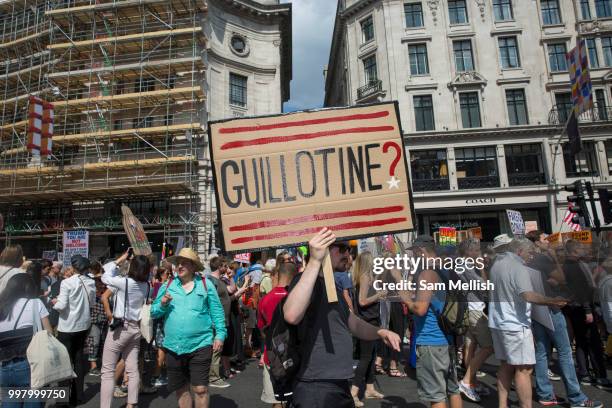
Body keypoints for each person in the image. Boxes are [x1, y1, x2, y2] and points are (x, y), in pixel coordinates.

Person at [283, 228, 400, 407]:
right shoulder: (305, 281)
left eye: (349, 250)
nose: (348, 254)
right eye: (343, 249)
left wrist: (381, 332)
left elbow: (352, 322)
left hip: (338, 382)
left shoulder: (333, 288)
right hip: (315, 385)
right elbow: (291, 315)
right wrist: (315, 260)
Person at [488, 237, 567, 408]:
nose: (531, 256)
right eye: (529, 252)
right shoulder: (518, 267)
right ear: (519, 251)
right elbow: (528, 295)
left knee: (506, 364)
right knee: (524, 369)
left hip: (498, 321)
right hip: (514, 324)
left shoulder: (497, 263)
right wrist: (551, 301)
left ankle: (503, 405)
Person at [526, 236, 601, 408]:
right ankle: (576, 398)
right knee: (565, 352)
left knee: (542, 351)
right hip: (551, 308)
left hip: (537, 308)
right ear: (537, 243)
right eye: (545, 239)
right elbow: (560, 278)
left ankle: (545, 394)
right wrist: (553, 257)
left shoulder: (530, 262)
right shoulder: (544, 259)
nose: (549, 241)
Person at [151, 248, 226, 408]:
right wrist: (163, 304)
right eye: (177, 263)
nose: (179, 266)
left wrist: (220, 334)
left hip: (200, 344)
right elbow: (154, 312)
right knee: (181, 389)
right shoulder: (168, 285)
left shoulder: (205, 285)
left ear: (193, 266)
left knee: (200, 389)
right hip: (173, 346)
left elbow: (217, 312)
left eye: (184, 263)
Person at [400, 235, 462, 408]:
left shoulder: (427, 273)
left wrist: (406, 298)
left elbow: (420, 309)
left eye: (414, 253)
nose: (413, 256)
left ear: (421, 251)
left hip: (431, 340)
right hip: (447, 337)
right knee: (453, 389)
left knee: (436, 396)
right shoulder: (447, 270)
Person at [99, 251, 151, 408]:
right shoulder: (146, 285)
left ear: (132, 267)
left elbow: (104, 275)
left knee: (107, 371)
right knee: (133, 369)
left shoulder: (124, 282)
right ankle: (131, 404)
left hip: (120, 328)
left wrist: (120, 260)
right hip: (136, 329)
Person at [0, 274, 53, 408]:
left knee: (9, 402)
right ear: (29, 288)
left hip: (4, 365)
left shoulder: (2, 307)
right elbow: (49, 333)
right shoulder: (36, 303)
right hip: (29, 365)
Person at [563, 240, 611, 389]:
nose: (584, 250)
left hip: (577, 307)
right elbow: (581, 289)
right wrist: (588, 310)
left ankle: (585, 374)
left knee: (582, 342)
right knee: (593, 343)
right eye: (581, 248)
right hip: (581, 308)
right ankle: (599, 376)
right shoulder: (573, 265)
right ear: (574, 251)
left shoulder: (573, 263)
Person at [51, 254, 96, 406]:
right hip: (83, 325)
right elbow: (92, 303)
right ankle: (78, 396)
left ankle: (63, 399)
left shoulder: (67, 282)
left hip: (68, 326)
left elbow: (62, 306)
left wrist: (54, 302)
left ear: (74, 267)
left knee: (65, 361)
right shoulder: (90, 282)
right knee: (78, 360)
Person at [456, 239, 493, 403]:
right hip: (475, 309)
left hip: (469, 308)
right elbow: (484, 287)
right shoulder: (466, 265)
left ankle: (471, 382)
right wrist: (482, 268)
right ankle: (466, 382)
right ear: (468, 251)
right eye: (477, 250)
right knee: (488, 347)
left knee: (470, 347)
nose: (479, 253)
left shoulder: (461, 264)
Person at [257, 261, 298, 408]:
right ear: (294, 276)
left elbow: (262, 329)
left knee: (277, 401)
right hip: (295, 356)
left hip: (272, 356)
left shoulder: (265, 299)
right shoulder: (296, 297)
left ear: (278, 275)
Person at [350, 251, 386, 407]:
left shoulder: (367, 277)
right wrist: (378, 295)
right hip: (367, 322)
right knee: (365, 358)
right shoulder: (364, 277)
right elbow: (362, 301)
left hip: (371, 321)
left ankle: (369, 388)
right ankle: (353, 392)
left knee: (371, 356)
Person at [207, 256, 232, 389]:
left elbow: (232, 290)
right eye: (225, 266)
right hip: (216, 320)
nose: (227, 268)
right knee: (216, 349)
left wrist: (231, 277)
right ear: (219, 267)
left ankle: (213, 375)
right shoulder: (211, 281)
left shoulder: (219, 280)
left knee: (217, 349)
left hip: (221, 320)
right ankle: (213, 377)